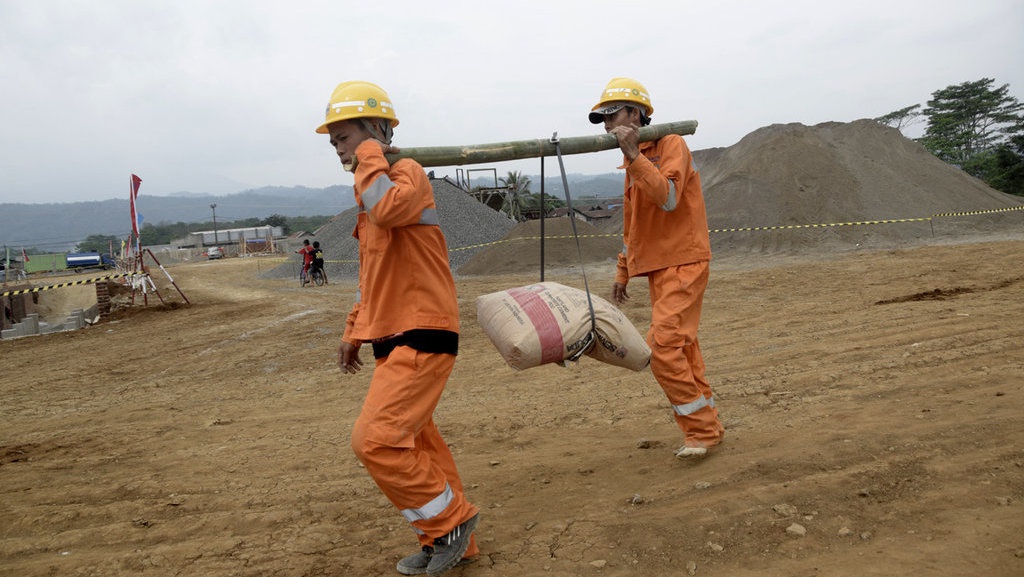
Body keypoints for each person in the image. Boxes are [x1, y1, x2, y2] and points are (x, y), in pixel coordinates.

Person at [315, 80, 479, 576]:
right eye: (335, 141)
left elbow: (389, 208)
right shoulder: (372, 185)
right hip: (392, 335)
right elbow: (374, 276)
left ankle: (451, 523)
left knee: (377, 440)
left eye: (344, 136)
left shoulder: (405, 173)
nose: (338, 148)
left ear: (376, 129)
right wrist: (353, 330)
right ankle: (451, 541)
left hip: (423, 331)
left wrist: (370, 154)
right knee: (417, 443)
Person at [590, 77, 725, 459]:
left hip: (685, 259)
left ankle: (701, 432)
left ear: (636, 113)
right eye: (602, 118)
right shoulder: (632, 159)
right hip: (657, 268)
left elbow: (667, 198)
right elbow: (633, 223)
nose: (606, 125)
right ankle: (708, 425)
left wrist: (634, 157)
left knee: (663, 348)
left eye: (611, 115)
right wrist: (622, 270)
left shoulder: (671, 145)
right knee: (683, 348)